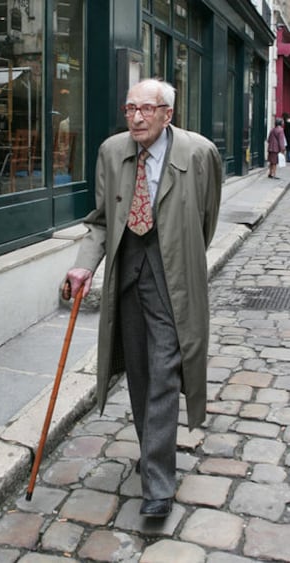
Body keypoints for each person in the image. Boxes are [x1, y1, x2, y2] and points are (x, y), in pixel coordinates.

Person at [65, 78, 222, 519]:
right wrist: (84, 264)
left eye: (146, 109)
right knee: (137, 373)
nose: (136, 117)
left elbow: (206, 218)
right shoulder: (112, 151)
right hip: (127, 272)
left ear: (167, 114)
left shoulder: (199, 153)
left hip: (172, 277)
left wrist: (180, 255)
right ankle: (153, 451)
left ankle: (157, 482)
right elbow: (99, 219)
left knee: (164, 373)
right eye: (129, 108)